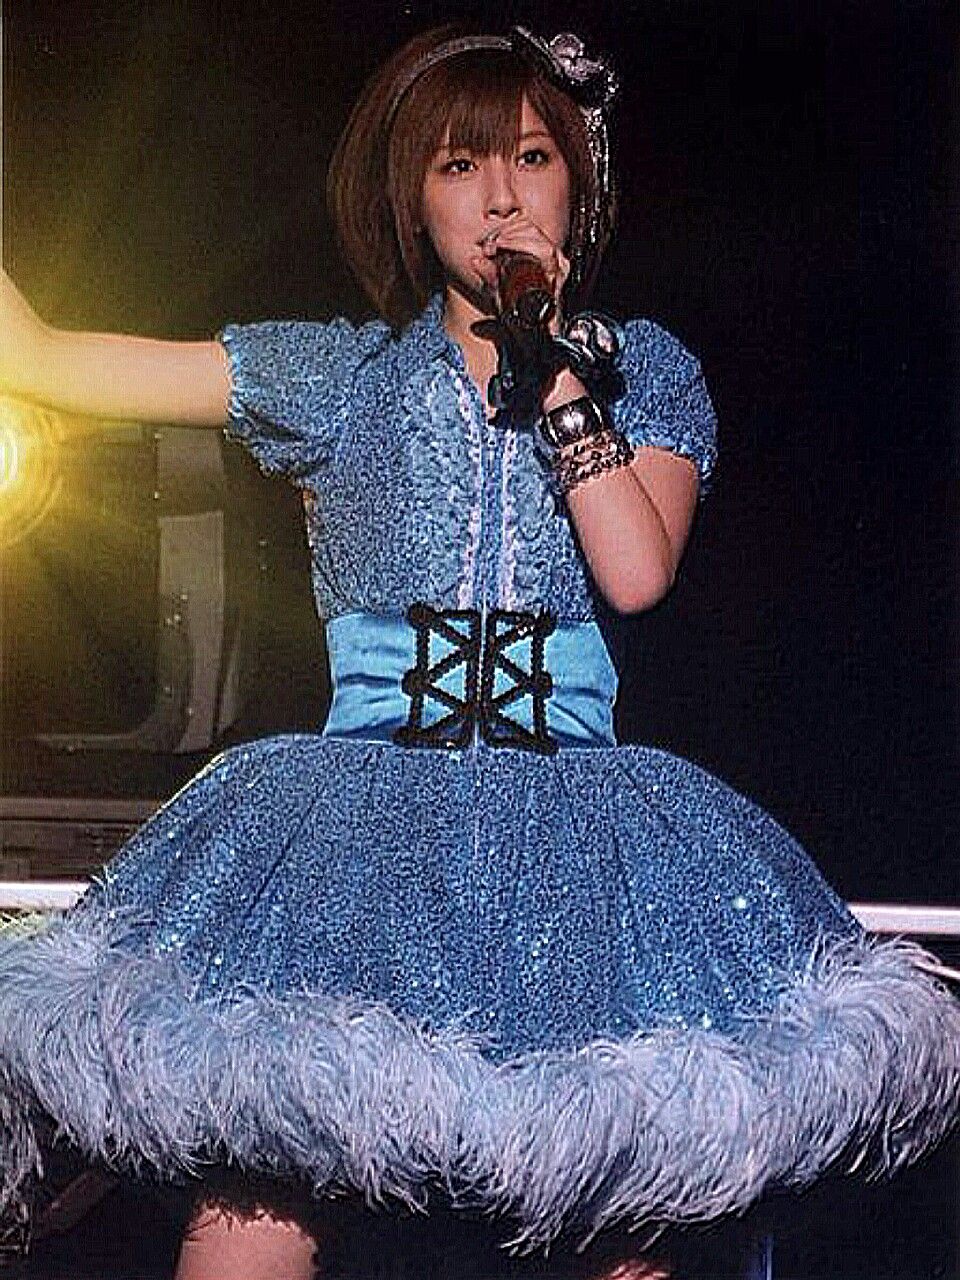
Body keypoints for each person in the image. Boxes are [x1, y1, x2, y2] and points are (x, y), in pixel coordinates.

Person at [0, 22, 957, 1280]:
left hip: (579, 845)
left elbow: (636, 571)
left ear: (579, 188)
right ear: (415, 199)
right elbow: (42, 360)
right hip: (352, 840)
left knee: (625, 1198)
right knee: (255, 1199)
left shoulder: (648, 371)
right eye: (460, 165)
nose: (501, 195)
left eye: (531, 157)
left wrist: (557, 376)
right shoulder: (338, 377)